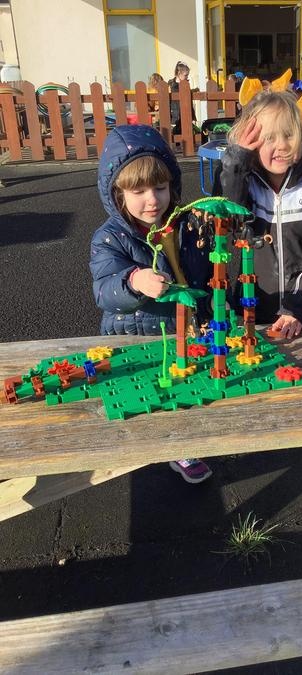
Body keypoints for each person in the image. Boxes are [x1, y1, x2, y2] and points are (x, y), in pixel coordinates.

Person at [90, 124, 212, 484]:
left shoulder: (186, 224)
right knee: (146, 389)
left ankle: (182, 446)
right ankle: (141, 442)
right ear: (117, 194)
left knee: (183, 385)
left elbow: (202, 277)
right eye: (138, 191)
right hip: (136, 332)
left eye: (160, 187)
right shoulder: (110, 238)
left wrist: (209, 311)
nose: (152, 200)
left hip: (184, 327)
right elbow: (104, 290)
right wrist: (134, 281)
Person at [214, 90, 302, 339]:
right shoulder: (247, 184)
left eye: (288, 135)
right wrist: (237, 162)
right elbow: (227, 217)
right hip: (255, 307)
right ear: (251, 142)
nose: (282, 145)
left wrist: (298, 307)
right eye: (269, 138)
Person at [168, 61, 197, 135]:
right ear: (179, 73)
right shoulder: (171, 85)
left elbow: (189, 103)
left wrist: (193, 117)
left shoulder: (186, 84)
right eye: (185, 75)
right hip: (175, 117)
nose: (187, 77)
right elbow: (168, 104)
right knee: (177, 135)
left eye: (187, 75)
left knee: (188, 134)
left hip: (187, 116)